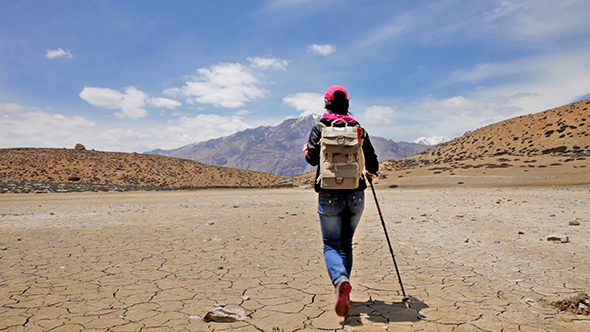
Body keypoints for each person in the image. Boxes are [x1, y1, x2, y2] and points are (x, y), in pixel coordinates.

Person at [302, 85, 379, 317]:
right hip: (356, 194)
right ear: (347, 104)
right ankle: (345, 286)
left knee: (331, 244)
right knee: (346, 242)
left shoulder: (320, 129)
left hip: (328, 194)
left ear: (326, 104)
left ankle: (340, 281)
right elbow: (373, 162)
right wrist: (369, 173)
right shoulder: (358, 130)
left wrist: (306, 151)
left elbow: (313, 159)